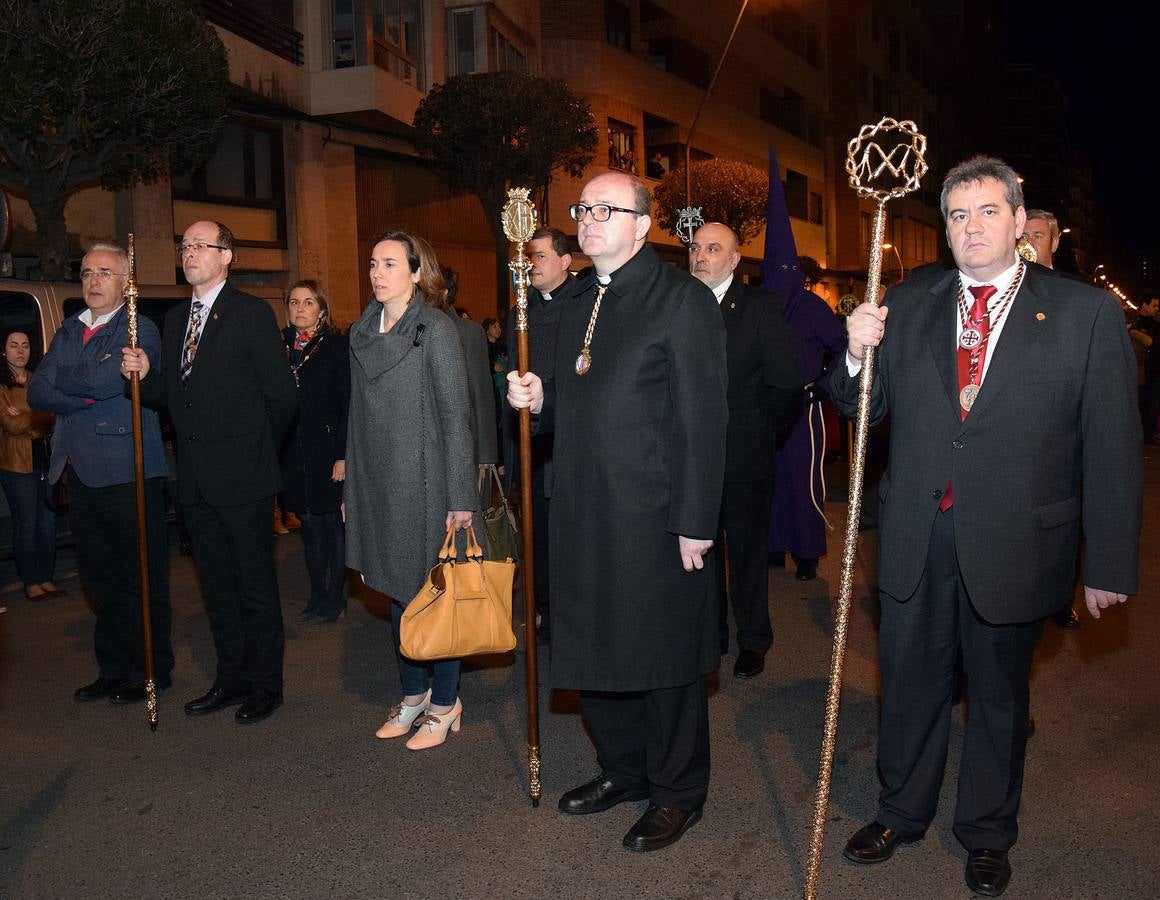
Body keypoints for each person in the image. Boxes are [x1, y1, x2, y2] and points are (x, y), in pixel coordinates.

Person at [833, 156, 1141, 897]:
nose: (973, 228)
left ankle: (987, 832)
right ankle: (901, 811)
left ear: (1018, 218)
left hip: (1015, 540)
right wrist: (853, 353)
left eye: (988, 212)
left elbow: (1111, 445)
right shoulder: (906, 302)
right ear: (944, 229)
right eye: (959, 216)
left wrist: (1108, 564)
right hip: (915, 533)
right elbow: (863, 412)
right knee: (908, 684)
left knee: (999, 700)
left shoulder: (1082, 313)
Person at [507, 172, 728, 852]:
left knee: (662, 659)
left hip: (653, 514)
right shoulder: (576, 302)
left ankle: (677, 790)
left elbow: (702, 416)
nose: (591, 218)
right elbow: (578, 394)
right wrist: (538, 400)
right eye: (583, 208)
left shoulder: (681, 300)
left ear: (642, 224)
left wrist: (696, 518)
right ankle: (623, 769)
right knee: (595, 650)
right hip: (579, 508)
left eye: (608, 209)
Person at [122, 221, 298, 725]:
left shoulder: (250, 313)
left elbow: (281, 396)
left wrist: (259, 450)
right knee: (216, 587)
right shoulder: (177, 318)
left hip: (244, 476)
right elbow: (176, 397)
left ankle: (266, 686)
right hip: (196, 480)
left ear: (227, 256)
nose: (191, 252)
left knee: (254, 588)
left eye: (202, 245)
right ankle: (231, 678)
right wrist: (144, 377)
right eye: (185, 245)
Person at [345, 230, 478, 751]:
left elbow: (455, 418)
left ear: (418, 272)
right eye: (373, 263)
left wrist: (460, 496)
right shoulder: (362, 330)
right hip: (378, 483)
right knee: (398, 591)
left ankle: (446, 704)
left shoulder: (435, 329)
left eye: (390, 263)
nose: (377, 273)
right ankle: (414, 694)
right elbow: (357, 416)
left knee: (434, 596)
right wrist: (351, 485)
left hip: (424, 483)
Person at [30, 242, 173, 705]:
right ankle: (112, 668)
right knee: (98, 578)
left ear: (124, 281)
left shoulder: (140, 327)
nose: (93, 281)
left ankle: (150, 669)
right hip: (80, 470)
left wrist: (74, 382)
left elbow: (107, 381)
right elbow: (37, 390)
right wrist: (85, 386)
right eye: (87, 272)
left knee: (139, 577)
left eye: (105, 273)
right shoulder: (69, 329)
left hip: (127, 471)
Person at [687, 222, 802, 678]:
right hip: (693, 461)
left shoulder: (758, 308)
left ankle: (753, 639)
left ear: (734, 261)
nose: (701, 256)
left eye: (713, 249)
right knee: (699, 554)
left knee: (749, 554)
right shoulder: (680, 305)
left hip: (745, 458)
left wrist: (760, 432)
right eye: (696, 248)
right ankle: (709, 637)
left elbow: (787, 383)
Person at [504, 226, 581, 640]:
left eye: (540, 257)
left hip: (569, 439)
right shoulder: (521, 307)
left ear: (566, 262)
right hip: (532, 440)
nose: (531, 265)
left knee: (568, 536)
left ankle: (569, 614)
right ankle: (543, 612)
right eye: (528, 258)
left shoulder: (584, 304)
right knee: (536, 535)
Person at [280, 280, 350, 625]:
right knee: (308, 523)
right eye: (294, 302)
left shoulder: (336, 346)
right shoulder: (279, 345)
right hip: (293, 450)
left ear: (321, 310)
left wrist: (343, 454)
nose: (300, 309)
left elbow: (346, 402)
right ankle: (315, 594)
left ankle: (335, 595)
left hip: (327, 447)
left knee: (331, 522)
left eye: (308, 303)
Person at [0, 329, 62, 602]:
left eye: (25, 345)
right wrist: (37, 417)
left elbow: (53, 416)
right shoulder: (1, 386)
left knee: (47, 524)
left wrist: (28, 416)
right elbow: (10, 424)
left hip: (45, 462)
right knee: (26, 524)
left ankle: (46, 578)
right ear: (4, 351)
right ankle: (31, 582)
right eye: (13, 345)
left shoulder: (39, 380)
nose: (20, 351)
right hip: (17, 465)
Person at [441, 266, 498, 469]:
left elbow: (482, 395)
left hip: (461, 445)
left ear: (445, 292)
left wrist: (486, 454)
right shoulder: (411, 329)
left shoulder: (469, 332)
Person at [1131, 294, 1160, 444]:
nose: (1157, 309)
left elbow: (1154, 347)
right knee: (1143, 406)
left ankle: (1147, 435)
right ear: (1144, 305)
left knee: (1150, 406)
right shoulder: (1135, 322)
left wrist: (1140, 336)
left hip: (1153, 373)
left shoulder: (1155, 324)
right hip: (1140, 373)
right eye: (1154, 306)